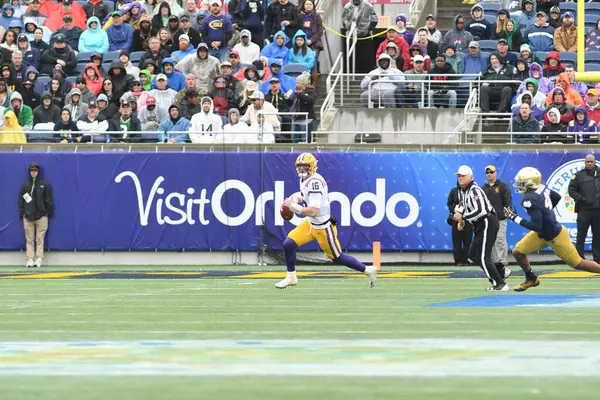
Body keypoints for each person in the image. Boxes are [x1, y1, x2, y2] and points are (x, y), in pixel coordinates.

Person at [276, 153, 378, 289]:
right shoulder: (306, 180)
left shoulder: (315, 182)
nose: (302, 170)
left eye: (305, 167)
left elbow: (313, 211)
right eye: (299, 167)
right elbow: (305, 195)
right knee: (288, 244)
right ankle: (291, 277)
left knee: (337, 257)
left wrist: (293, 207)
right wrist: (295, 198)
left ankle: (367, 270)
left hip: (323, 228)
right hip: (310, 224)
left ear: (312, 166)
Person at [505, 167, 600, 291]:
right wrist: (546, 213)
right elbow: (556, 197)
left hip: (555, 235)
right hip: (542, 233)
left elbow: (536, 226)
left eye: (522, 182)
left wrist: (514, 217)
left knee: (578, 263)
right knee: (518, 252)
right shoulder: (541, 188)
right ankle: (531, 278)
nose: (519, 185)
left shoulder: (529, 198)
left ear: (530, 183)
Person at [453, 165, 508, 291]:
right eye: (459, 176)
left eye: (463, 176)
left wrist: (464, 217)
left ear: (471, 177)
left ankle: (499, 283)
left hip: (487, 221)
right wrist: (460, 220)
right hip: (479, 224)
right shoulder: (464, 191)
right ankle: (500, 271)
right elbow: (462, 207)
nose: (460, 178)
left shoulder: (474, 190)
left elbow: (481, 210)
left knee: (484, 256)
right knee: (473, 255)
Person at [19, 162, 53, 268]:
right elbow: (21, 201)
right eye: (32, 171)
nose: (34, 173)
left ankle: (39, 258)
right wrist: (23, 213)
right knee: (29, 239)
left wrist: (48, 212)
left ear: (38, 172)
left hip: (42, 216)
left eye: (36, 171)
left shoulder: (45, 185)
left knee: (40, 238)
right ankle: (29, 258)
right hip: (28, 217)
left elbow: (49, 200)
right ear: (29, 172)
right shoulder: (25, 186)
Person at [568, 154, 600, 262]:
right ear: (585, 162)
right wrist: (582, 199)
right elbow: (571, 191)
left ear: (595, 162)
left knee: (598, 235)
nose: (590, 163)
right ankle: (579, 259)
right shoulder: (578, 176)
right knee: (581, 235)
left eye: (591, 162)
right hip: (584, 210)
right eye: (588, 162)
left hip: (598, 210)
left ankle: (598, 259)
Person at [482, 165, 512, 273]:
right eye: (487, 172)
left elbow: (508, 201)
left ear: (495, 173)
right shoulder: (483, 188)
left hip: (500, 218)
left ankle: (502, 260)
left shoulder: (503, 186)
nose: (489, 174)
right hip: (489, 219)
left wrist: (507, 212)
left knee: (500, 239)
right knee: (492, 241)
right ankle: (494, 261)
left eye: (491, 172)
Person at [341, 0, 378, 74]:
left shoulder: (368, 6)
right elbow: (344, 20)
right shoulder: (347, 7)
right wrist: (349, 28)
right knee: (352, 56)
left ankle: (367, 74)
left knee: (366, 57)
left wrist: (368, 28)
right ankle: (352, 73)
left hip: (365, 36)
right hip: (352, 35)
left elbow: (374, 19)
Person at [447, 181, 473, 266]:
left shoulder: (471, 191)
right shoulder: (454, 191)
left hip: (468, 218)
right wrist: (454, 210)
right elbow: (449, 203)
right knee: (456, 240)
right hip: (456, 218)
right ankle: (458, 260)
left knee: (467, 240)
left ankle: (465, 259)